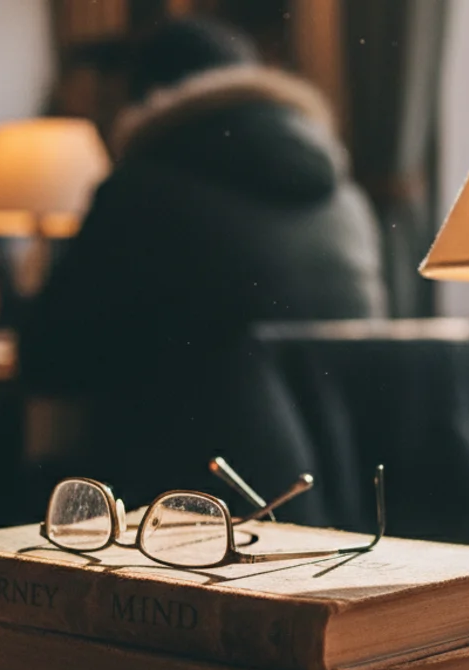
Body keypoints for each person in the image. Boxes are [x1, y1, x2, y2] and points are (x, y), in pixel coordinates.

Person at [19, 17, 387, 515]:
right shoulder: (347, 199)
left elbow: (47, 358)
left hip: (184, 506)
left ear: (144, 98)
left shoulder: (141, 188)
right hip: (342, 497)